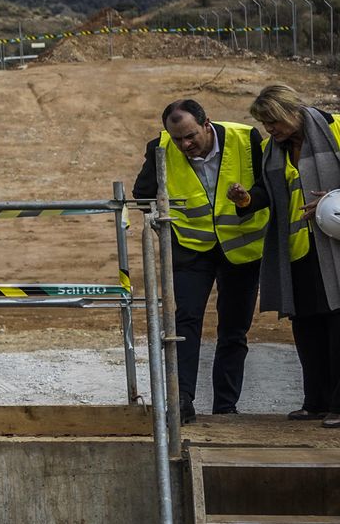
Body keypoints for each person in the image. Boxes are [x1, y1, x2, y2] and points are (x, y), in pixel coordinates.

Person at [132, 99, 268, 422]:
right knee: (185, 323)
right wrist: (165, 223)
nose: (185, 144)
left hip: (240, 250)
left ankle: (225, 407)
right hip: (192, 250)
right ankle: (182, 401)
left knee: (234, 329)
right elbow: (143, 194)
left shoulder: (245, 139)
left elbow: (268, 188)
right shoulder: (160, 149)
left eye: (190, 136)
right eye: (177, 138)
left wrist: (247, 200)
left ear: (207, 123)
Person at [234, 85, 340, 425]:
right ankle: (316, 402)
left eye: (273, 122)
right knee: (308, 330)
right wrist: (247, 200)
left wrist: (335, 197)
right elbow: (269, 192)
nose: (270, 130)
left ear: (290, 111)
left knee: (338, 328)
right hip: (298, 254)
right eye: (265, 125)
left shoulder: (334, 129)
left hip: (335, 251)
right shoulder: (272, 150)